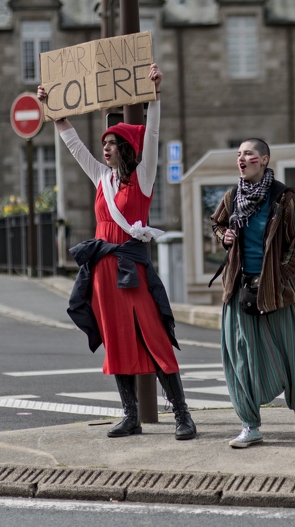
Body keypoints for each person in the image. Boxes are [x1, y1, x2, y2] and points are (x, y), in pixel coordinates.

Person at [37, 65, 196, 441]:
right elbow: (75, 146)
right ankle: (130, 416)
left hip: (131, 267)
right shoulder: (100, 178)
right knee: (118, 338)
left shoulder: (142, 177)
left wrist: (155, 96)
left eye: (110, 143)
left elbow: (153, 134)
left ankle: (182, 415)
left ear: (125, 148)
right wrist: (53, 112)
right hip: (103, 272)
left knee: (153, 336)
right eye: (104, 144)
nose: (103, 147)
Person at [210, 138, 295, 448]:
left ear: (264, 159)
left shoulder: (283, 199)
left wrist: (282, 275)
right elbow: (217, 223)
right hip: (239, 288)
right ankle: (250, 425)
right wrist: (226, 235)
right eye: (238, 154)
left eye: (248, 154)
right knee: (241, 357)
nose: (241, 159)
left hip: (278, 291)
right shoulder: (233, 197)